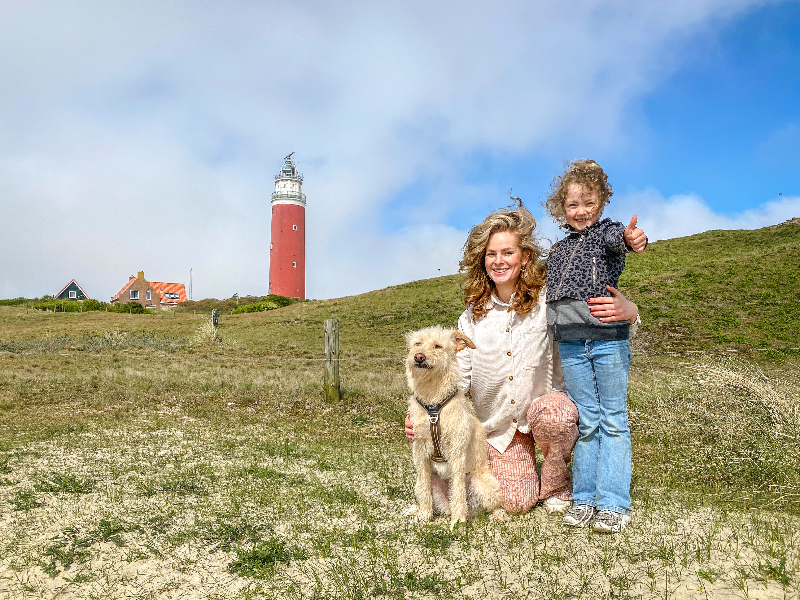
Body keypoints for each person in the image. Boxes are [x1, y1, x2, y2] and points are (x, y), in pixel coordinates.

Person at [404, 200, 643, 515]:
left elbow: (590, 322)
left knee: (554, 415)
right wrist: (426, 413)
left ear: (525, 257)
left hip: (544, 414)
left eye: (508, 253)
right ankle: (527, 473)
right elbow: (458, 380)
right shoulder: (470, 320)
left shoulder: (549, 301)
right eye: (492, 254)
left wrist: (632, 313)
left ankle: (558, 483)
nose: (499, 261)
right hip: (499, 429)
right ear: (483, 260)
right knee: (515, 502)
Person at [544, 159, 646, 533]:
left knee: (613, 420)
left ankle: (614, 503)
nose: (581, 211)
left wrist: (634, 239)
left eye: (589, 202)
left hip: (607, 342)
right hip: (571, 346)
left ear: (602, 202)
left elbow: (624, 240)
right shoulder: (557, 250)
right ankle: (585, 497)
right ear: (562, 208)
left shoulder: (607, 234)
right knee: (587, 422)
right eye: (573, 204)